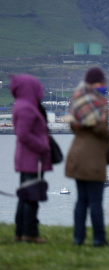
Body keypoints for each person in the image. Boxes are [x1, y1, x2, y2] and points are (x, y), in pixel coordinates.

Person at [65, 67, 109, 247]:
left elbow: (72, 127)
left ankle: (78, 238)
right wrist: (107, 133)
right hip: (94, 157)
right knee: (95, 201)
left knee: (81, 200)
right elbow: (102, 129)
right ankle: (99, 239)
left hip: (77, 154)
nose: (103, 86)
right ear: (97, 84)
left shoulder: (76, 100)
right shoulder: (100, 103)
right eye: (101, 83)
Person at [10, 74, 52, 244]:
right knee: (31, 196)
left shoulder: (21, 105)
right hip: (30, 158)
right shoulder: (27, 108)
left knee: (25, 195)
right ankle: (29, 233)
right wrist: (43, 146)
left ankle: (21, 232)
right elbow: (24, 134)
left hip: (25, 157)